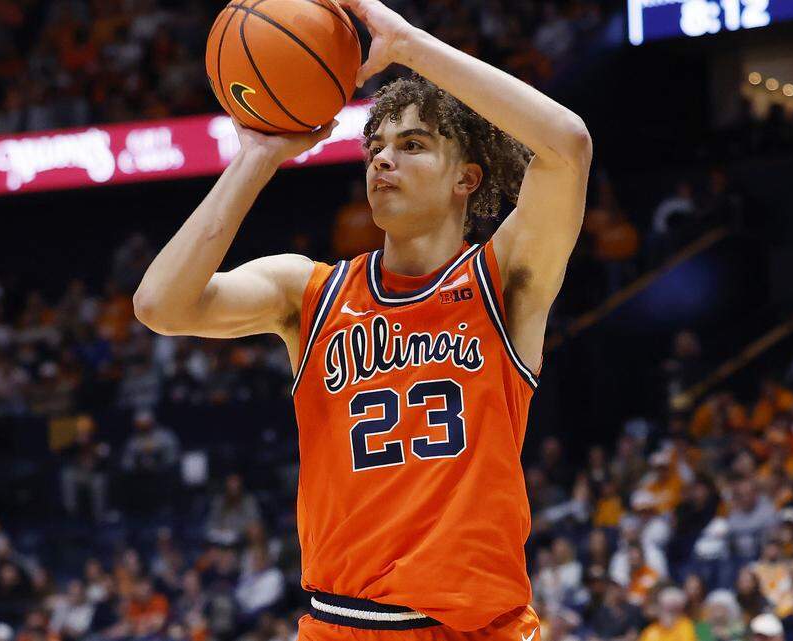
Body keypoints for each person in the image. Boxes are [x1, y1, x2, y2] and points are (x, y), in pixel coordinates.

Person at [133, 0, 592, 638]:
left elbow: (566, 146)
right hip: (341, 625)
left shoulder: (503, 281)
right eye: (375, 145)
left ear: (467, 177)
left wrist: (406, 44)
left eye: (412, 145)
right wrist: (258, 157)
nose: (382, 160)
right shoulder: (307, 290)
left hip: (479, 628)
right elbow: (160, 305)